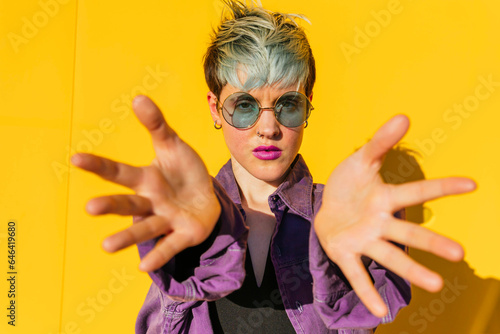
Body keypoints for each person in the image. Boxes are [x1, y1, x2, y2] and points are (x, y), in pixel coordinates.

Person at [70, 1, 476, 333]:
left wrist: (345, 270)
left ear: (308, 105)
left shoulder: (340, 217)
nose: (268, 127)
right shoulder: (189, 216)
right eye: (244, 105)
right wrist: (183, 272)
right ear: (216, 108)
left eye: (288, 104)